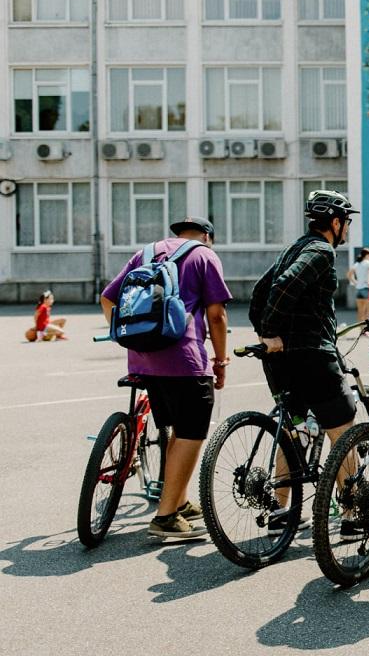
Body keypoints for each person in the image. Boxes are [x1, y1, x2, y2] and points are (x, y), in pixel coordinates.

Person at [100, 217, 231, 539]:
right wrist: (221, 360)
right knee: (192, 432)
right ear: (207, 236)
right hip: (184, 359)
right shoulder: (204, 255)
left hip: (143, 359)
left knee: (176, 428)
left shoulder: (144, 254)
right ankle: (166, 517)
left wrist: (128, 337)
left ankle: (180, 500)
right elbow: (216, 314)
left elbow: (108, 297)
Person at [251, 190, 361, 535]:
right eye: (347, 223)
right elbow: (286, 285)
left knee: (293, 428)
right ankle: (353, 514)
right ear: (335, 222)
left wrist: (270, 339)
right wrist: (272, 331)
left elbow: (259, 293)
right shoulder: (320, 250)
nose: (347, 229)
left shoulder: (293, 248)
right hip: (313, 357)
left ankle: (283, 511)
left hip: (282, 362)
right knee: (342, 428)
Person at [348, 247, 369, 323]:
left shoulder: (357, 264)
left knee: (360, 312)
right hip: (367, 289)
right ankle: (367, 330)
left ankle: (361, 330)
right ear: (367, 255)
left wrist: (356, 282)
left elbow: (349, 274)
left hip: (359, 290)